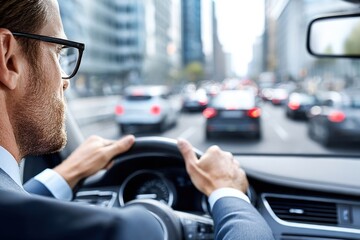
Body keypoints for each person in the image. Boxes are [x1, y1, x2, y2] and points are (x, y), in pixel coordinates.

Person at [0, 0, 274, 239]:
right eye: (59, 52)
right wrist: (228, 193)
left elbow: (18, 210)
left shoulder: (19, 216)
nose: (65, 82)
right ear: (8, 59)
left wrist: (66, 173)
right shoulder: (121, 230)